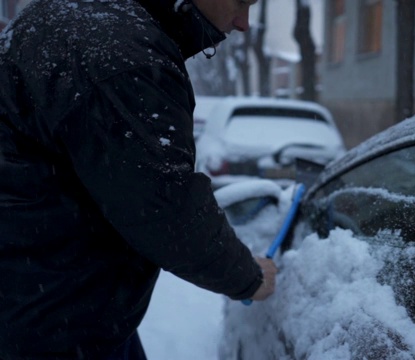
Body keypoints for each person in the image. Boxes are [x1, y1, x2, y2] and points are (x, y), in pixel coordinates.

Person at [0, 0, 276, 358]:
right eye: (241, 2)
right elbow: (166, 207)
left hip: (50, 305)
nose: (244, 23)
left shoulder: (80, 17)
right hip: (54, 326)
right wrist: (249, 277)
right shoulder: (120, 53)